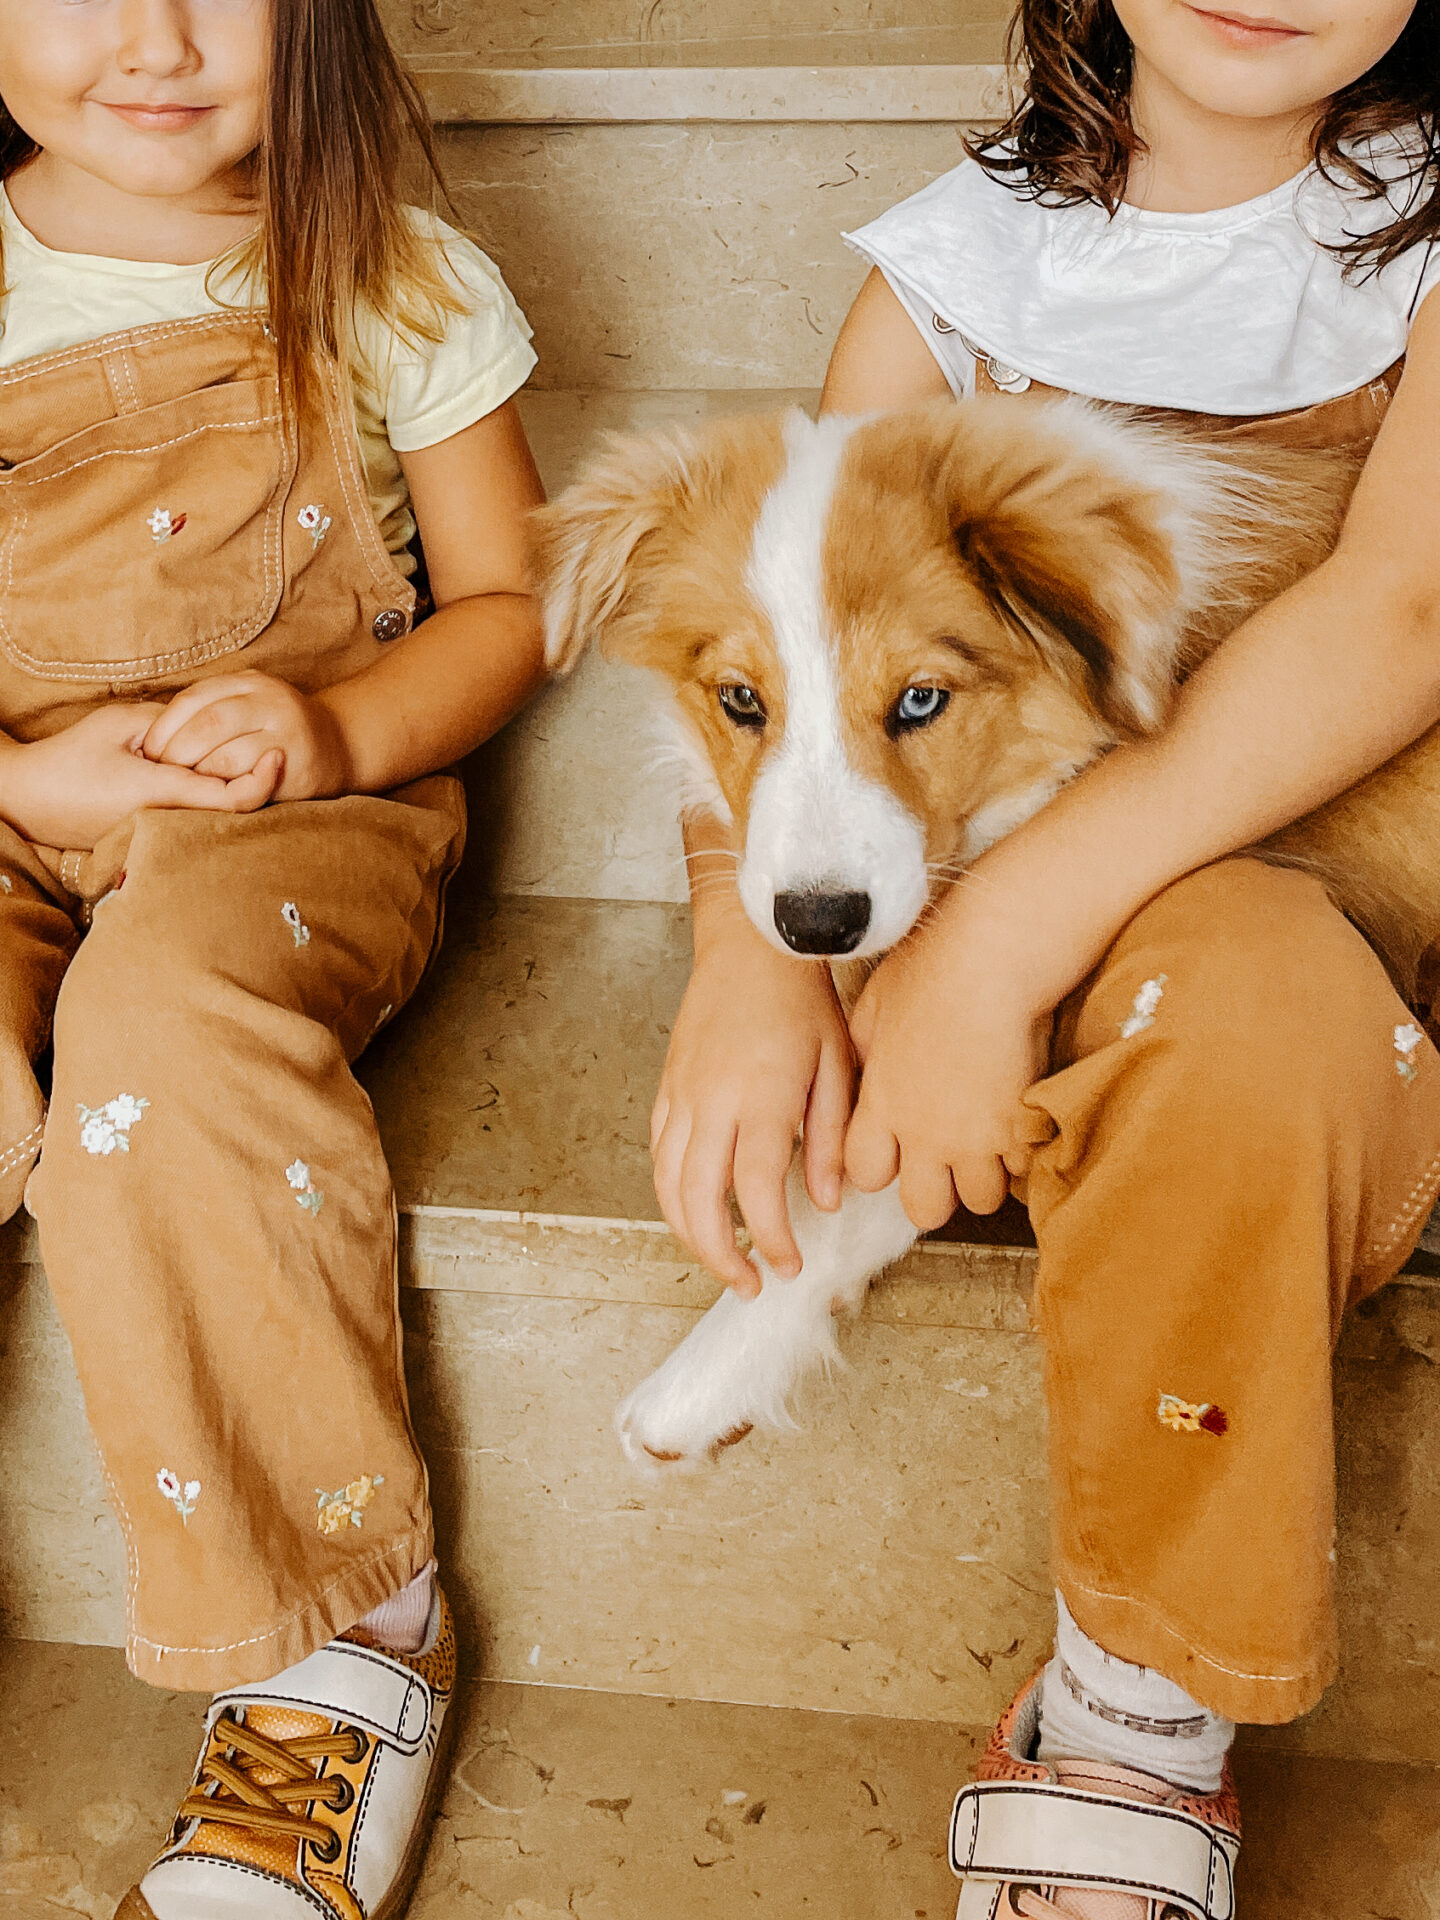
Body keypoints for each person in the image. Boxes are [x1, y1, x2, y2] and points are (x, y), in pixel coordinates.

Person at [653, 0, 1440, 1906]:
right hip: (991, 868)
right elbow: (783, 689)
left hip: (1323, 907)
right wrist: (750, 972)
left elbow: (1406, 611)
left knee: (1239, 1015)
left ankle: (1138, 1710)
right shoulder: (952, 276)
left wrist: (995, 946)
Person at [0, 3, 546, 1914]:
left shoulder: (389, 273)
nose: (148, 38)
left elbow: (505, 602)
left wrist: (335, 738)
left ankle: (337, 1633)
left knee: (155, 1037)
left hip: (291, 816)